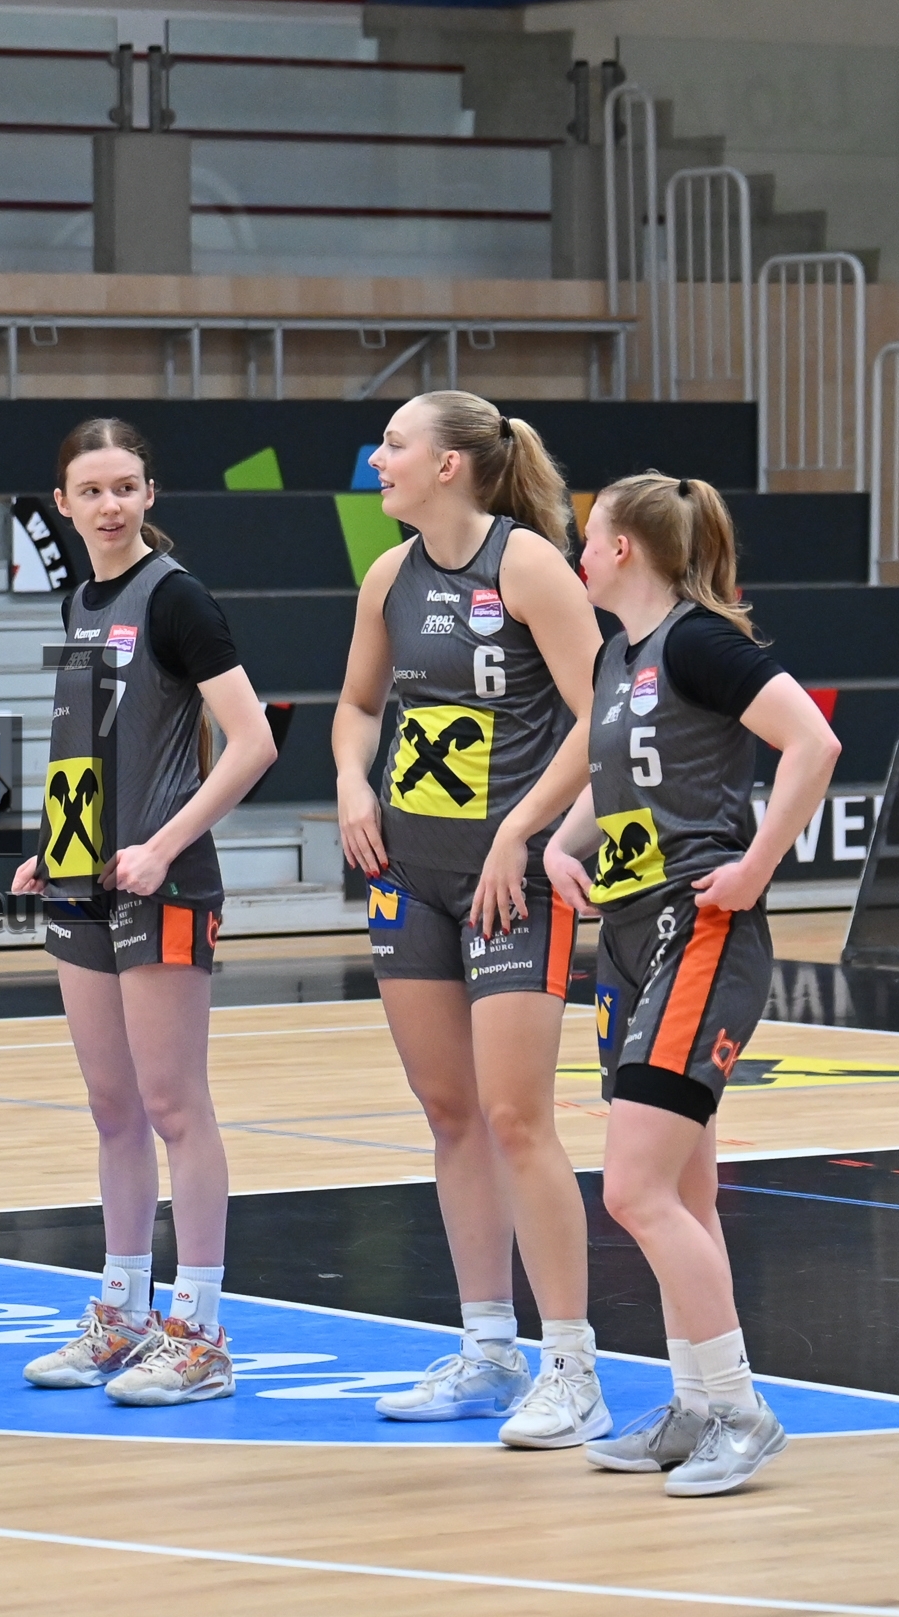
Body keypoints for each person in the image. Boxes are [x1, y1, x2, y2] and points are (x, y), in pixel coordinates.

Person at [545, 473, 837, 1496]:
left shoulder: (700, 641)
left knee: (633, 1190)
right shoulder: (616, 655)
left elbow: (813, 742)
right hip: (628, 936)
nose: (578, 554)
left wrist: (756, 864)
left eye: (588, 538)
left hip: (700, 933)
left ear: (624, 547)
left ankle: (742, 1409)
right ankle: (694, 1404)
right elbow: (615, 775)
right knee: (683, 1192)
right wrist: (561, 844)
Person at [331, 391, 605, 1443]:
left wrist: (525, 832)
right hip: (409, 875)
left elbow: (601, 716)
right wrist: (351, 785)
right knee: (448, 1113)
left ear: (449, 464)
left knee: (516, 1117)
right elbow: (358, 706)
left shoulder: (526, 565)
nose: (379, 458)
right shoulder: (387, 576)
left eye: (396, 444)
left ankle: (571, 1365)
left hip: (509, 881)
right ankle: (489, 1349)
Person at [9, 421, 278, 1403]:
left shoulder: (176, 598)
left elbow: (252, 741)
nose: (110, 504)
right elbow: (94, 747)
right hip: (84, 881)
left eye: (125, 486)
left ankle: (199, 1334)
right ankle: (121, 1315)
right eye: (91, 490)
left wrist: (163, 845)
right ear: (63, 504)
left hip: (164, 882)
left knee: (173, 1105)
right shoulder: (80, 600)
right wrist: (58, 846)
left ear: (149, 494)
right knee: (112, 1107)